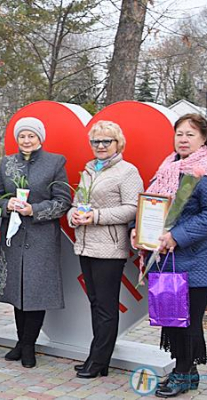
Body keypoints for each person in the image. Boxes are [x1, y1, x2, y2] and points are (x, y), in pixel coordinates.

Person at [130, 114, 207, 398]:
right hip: (167, 259)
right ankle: (188, 372)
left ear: (204, 139)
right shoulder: (169, 167)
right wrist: (138, 230)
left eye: (190, 134)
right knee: (171, 318)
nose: (183, 139)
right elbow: (154, 206)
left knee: (187, 320)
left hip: (197, 260)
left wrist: (177, 236)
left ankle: (183, 373)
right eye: (179, 133)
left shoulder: (206, 171)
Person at [65, 121, 143, 378]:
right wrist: (73, 215)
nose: (100, 146)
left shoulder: (127, 171)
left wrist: (96, 216)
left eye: (105, 141)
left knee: (106, 306)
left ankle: (98, 361)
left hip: (109, 247)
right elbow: (77, 202)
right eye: (95, 142)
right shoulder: (89, 170)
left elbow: (133, 207)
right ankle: (97, 357)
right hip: (86, 245)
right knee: (95, 302)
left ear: (117, 143)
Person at [0, 117, 71, 368]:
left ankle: (29, 344)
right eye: (22, 136)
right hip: (13, 237)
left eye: (31, 136)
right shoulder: (7, 163)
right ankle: (20, 341)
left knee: (35, 292)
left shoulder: (55, 163)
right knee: (17, 290)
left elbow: (62, 201)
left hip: (41, 237)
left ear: (40, 138)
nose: (26, 141)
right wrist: (8, 205)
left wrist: (33, 210)